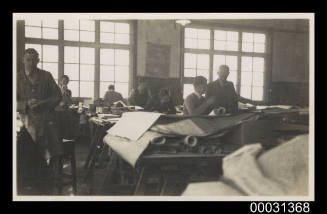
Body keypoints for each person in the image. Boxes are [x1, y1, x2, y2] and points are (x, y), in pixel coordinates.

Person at [17, 48, 63, 193]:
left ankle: (48, 181)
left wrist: (43, 103)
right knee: (24, 154)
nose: (31, 63)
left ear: (38, 60)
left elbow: (57, 96)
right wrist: (25, 104)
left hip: (46, 121)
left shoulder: (46, 76)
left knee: (49, 152)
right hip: (24, 122)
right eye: (28, 59)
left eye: (34, 60)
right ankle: (27, 182)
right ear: (22, 60)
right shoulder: (16, 78)